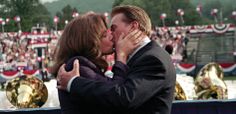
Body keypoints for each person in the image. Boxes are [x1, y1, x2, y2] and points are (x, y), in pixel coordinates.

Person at [57, 5, 176, 114]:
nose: (111, 34)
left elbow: (122, 99)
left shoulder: (152, 59)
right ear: (90, 40)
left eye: (113, 28)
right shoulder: (79, 64)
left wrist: (73, 82)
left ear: (133, 27)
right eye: (105, 34)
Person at [51, 12, 142, 114]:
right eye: (104, 35)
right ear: (88, 41)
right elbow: (115, 96)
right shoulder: (78, 66)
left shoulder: (84, 65)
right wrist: (121, 56)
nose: (111, 36)